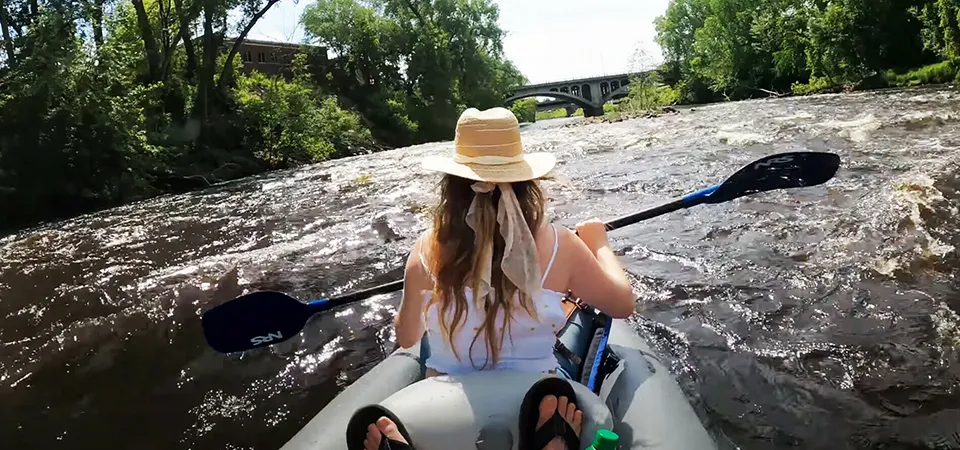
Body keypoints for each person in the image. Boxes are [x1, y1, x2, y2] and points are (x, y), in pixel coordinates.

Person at [353, 107, 631, 450]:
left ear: (450, 186)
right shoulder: (562, 244)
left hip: (440, 408)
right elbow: (623, 304)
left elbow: (408, 336)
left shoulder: (426, 250)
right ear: (526, 181)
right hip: (535, 393)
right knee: (555, 392)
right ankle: (550, 438)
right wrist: (599, 245)